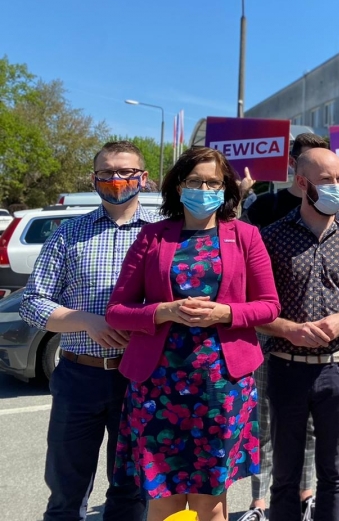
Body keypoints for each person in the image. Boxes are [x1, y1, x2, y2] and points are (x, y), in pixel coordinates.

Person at [106, 146, 280, 521]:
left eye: (212, 182)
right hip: (158, 387)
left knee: (210, 501)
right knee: (163, 499)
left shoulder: (246, 236)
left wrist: (225, 313)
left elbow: (269, 306)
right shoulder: (152, 236)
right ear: (178, 186)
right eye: (195, 181)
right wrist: (163, 311)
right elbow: (117, 311)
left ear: (225, 188)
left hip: (222, 387)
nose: (204, 189)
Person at [20, 140, 159, 521]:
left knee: (131, 490)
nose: (116, 179)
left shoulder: (162, 234)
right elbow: (33, 302)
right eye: (107, 172)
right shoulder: (68, 233)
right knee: (66, 489)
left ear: (143, 178)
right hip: (79, 376)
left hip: (139, 377)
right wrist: (86, 320)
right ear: (94, 178)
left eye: (126, 172)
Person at [259, 147, 339, 521]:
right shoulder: (272, 237)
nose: (336, 187)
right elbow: (254, 308)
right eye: (326, 180)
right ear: (302, 183)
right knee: (285, 474)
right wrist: (288, 329)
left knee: (334, 473)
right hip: (286, 368)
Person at [239, 132, 329, 520]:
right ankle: (260, 501)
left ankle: (306, 495)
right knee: (262, 419)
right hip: (266, 329)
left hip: (314, 332)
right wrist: (240, 195)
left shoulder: (334, 208)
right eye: (312, 165)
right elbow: (234, 248)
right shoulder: (265, 206)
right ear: (295, 167)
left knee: (306, 422)